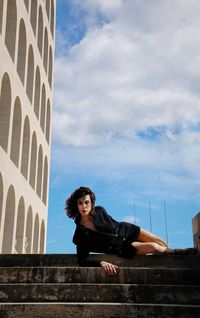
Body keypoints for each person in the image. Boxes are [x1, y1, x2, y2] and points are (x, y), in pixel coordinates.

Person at [65, 186, 197, 276]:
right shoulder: (79, 235)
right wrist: (101, 263)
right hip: (121, 247)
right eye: (80, 203)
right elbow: (82, 260)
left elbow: (113, 226)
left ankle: (169, 253)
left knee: (161, 242)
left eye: (86, 202)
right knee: (155, 247)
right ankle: (182, 251)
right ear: (76, 205)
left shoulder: (99, 211)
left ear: (91, 203)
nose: (84, 206)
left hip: (127, 230)